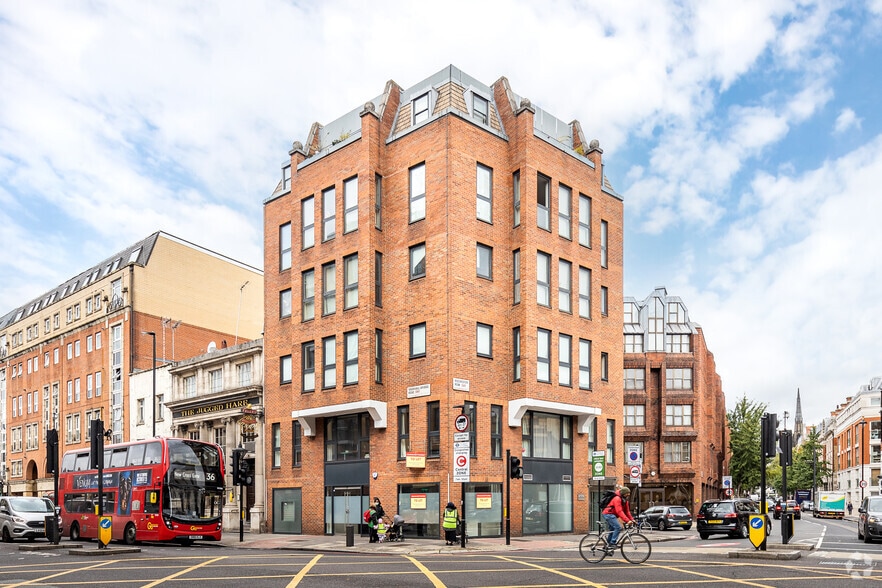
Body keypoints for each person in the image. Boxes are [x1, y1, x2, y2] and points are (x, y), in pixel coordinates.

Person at [602, 486, 635, 551]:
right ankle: (612, 543)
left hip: (613, 515)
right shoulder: (617, 499)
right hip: (608, 514)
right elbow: (619, 511)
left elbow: (627, 512)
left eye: (629, 493)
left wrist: (632, 519)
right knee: (618, 527)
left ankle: (607, 546)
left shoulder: (625, 501)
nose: (628, 495)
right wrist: (627, 521)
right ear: (623, 493)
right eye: (627, 493)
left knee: (612, 530)